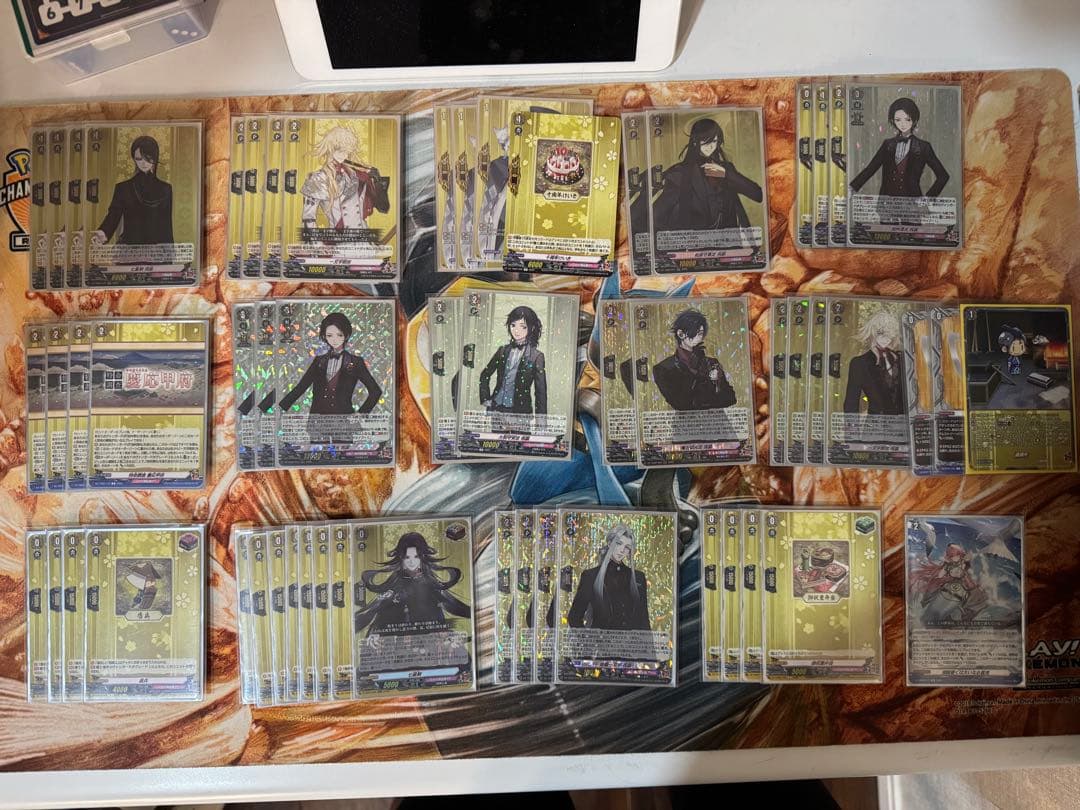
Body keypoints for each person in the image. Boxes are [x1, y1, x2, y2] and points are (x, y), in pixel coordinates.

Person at [652, 117, 763, 233]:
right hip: (696, 241)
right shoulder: (679, 173)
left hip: (728, 239)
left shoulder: (726, 169)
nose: (710, 146)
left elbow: (757, 194)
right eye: (706, 141)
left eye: (714, 141)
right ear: (695, 141)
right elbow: (657, 215)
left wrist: (726, 174)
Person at [354, 532, 471, 638]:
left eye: (416, 556)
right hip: (398, 640)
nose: (411, 561)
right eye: (407, 557)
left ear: (422, 557)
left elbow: (452, 604)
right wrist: (374, 632)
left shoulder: (430, 583)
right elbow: (375, 610)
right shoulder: (395, 584)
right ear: (401, 558)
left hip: (430, 639)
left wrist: (474, 613)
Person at [278, 312, 382, 416]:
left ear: (346, 335)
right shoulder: (319, 361)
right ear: (324, 336)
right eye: (329, 335)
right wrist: (281, 407)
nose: (334, 339)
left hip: (344, 420)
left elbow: (375, 391)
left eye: (339, 335)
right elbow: (301, 387)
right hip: (318, 420)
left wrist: (361, 415)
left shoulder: (356, 362)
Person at [849, 98, 950, 199]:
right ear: (893, 121)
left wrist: (928, 197)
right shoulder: (887, 145)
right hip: (887, 202)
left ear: (914, 120)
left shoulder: (923, 147)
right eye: (898, 120)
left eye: (907, 119)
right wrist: (852, 187)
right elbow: (871, 168)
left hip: (912, 202)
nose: (903, 124)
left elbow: (943, 176)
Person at [301, 125, 389, 233]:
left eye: (346, 151)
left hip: (364, 239)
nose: (343, 155)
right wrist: (317, 242)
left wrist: (378, 182)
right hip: (338, 240)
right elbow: (308, 219)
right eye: (339, 150)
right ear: (330, 149)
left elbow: (383, 208)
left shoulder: (358, 176)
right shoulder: (317, 179)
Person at [91, 135, 173, 246]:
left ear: (155, 157)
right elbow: (113, 216)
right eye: (139, 159)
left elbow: (166, 226)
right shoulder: (123, 188)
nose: (143, 163)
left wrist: (169, 253)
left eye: (148, 158)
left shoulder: (166, 189)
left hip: (155, 250)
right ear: (134, 158)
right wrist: (103, 233)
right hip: (129, 247)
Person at [567, 523, 650, 631]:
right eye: (618, 543)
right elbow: (574, 618)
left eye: (627, 547)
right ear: (610, 543)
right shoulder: (591, 576)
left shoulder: (638, 578)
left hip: (631, 641)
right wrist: (589, 639)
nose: (621, 550)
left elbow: (644, 621)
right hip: (601, 641)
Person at [652, 309, 737, 411]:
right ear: (681, 334)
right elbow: (681, 404)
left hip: (715, 419)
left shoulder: (711, 363)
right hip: (687, 420)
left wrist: (717, 382)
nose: (698, 338)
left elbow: (730, 398)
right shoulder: (663, 368)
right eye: (694, 333)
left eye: (700, 333)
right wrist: (698, 374)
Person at [479, 305, 547, 415]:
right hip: (496, 409)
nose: (516, 330)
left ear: (532, 328)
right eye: (513, 325)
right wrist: (486, 398)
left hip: (520, 413)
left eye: (523, 327)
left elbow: (540, 392)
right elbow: (485, 374)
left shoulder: (536, 356)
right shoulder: (502, 351)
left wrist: (541, 421)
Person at [843, 309, 905, 416]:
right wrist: (853, 428)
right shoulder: (859, 363)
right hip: (876, 424)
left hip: (902, 424)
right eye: (881, 334)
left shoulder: (902, 360)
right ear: (872, 333)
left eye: (889, 335)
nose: (886, 340)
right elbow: (851, 405)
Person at [910, 542, 987, 622]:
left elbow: (965, 578)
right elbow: (941, 575)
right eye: (951, 555)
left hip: (960, 592)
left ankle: (964, 614)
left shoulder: (963, 566)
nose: (952, 557)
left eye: (954, 555)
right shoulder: (948, 565)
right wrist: (945, 576)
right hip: (948, 589)